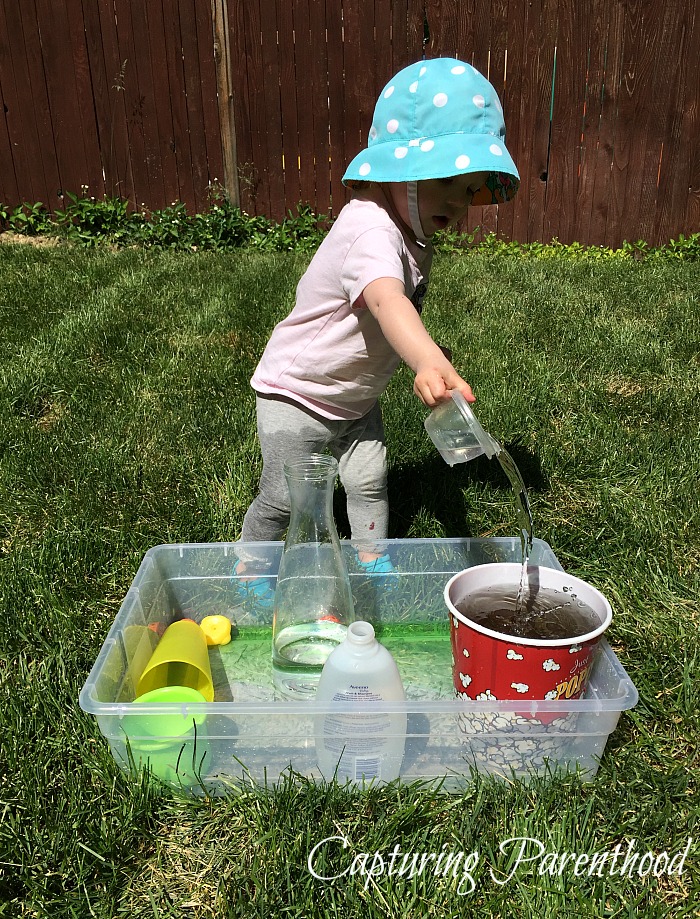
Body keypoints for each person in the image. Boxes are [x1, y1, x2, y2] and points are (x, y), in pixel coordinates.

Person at [235, 57, 519, 604]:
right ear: (400, 172)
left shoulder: (410, 232)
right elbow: (387, 299)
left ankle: (372, 556)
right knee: (285, 499)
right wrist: (426, 358)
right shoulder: (369, 229)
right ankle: (252, 568)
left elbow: (397, 313)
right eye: (445, 183)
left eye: (469, 189)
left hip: (356, 399)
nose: (458, 203)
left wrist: (423, 351)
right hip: (299, 396)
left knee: (369, 480)